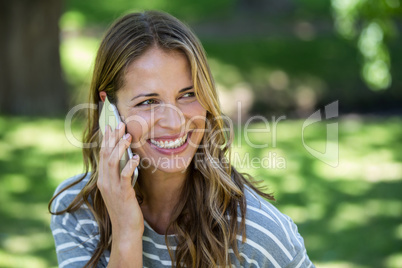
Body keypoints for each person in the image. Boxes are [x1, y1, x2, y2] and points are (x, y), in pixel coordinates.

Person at [49, 10, 315, 268]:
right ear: (110, 109)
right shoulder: (77, 212)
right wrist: (126, 232)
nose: (175, 122)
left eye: (188, 95)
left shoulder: (257, 233)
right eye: (149, 101)